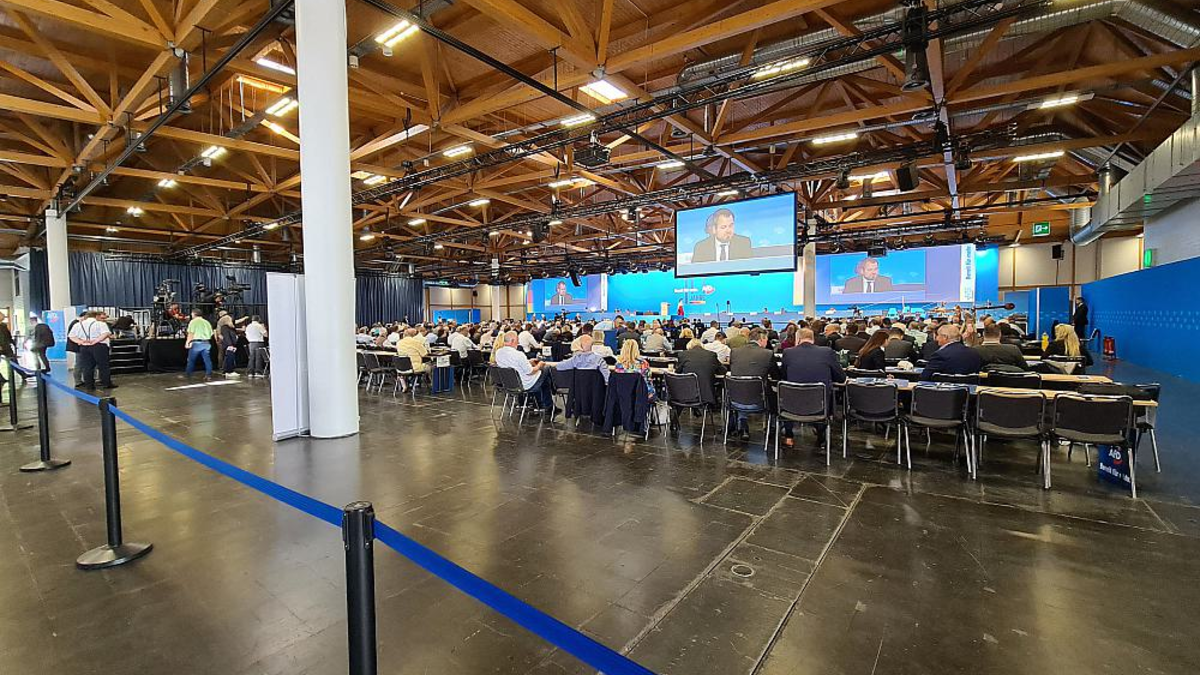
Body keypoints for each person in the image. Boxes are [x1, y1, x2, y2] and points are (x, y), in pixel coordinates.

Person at [779, 328, 845, 446]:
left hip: (792, 405)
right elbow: (841, 378)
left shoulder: (788, 352)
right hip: (819, 405)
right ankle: (821, 436)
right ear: (813, 339)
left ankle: (789, 436)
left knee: (786, 394)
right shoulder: (827, 352)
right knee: (826, 395)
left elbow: (783, 377)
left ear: (797, 339)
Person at [728, 328, 778, 440]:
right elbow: (776, 376)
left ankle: (743, 424)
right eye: (766, 340)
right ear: (762, 339)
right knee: (773, 394)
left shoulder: (735, 352)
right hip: (760, 401)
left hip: (735, 400)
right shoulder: (768, 353)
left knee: (743, 387)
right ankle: (772, 427)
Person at [494, 331, 556, 414]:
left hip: (509, 384)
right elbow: (530, 372)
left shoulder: (498, 353)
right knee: (546, 369)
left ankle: (544, 403)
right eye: (517, 340)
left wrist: (528, 362)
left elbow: (515, 365)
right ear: (512, 341)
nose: (518, 342)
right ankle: (550, 398)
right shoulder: (519, 354)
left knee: (545, 381)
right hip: (525, 385)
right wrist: (539, 365)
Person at [673, 339, 724, 425]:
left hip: (685, 394)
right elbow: (722, 371)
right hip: (705, 395)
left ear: (689, 347)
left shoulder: (683, 355)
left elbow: (677, 372)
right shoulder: (711, 355)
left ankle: (675, 421)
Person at [69, 310, 115, 390]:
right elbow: (106, 333)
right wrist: (96, 340)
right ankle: (106, 383)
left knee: (87, 366)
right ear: (96, 316)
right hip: (99, 346)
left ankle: (89, 385)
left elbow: (71, 336)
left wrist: (81, 341)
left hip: (84, 347)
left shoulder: (78, 325)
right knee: (103, 366)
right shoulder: (100, 324)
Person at [184, 309, 214, 379]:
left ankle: (188, 375)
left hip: (196, 343)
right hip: (206, 343)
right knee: (207, 360)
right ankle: (208, 375)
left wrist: (187, 342)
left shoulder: (193, 322)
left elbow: (191, 333)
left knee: (191, 360)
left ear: (194, 314)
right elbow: (211, 333)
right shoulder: (207, 322)